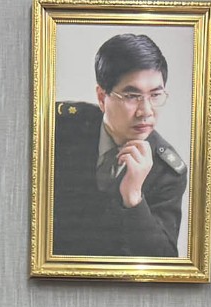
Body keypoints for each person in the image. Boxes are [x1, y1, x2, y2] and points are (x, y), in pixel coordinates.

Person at [51, 32, 187, 258]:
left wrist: (134, 198)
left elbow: (164, 261)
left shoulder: (167, 171)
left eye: (155, 95)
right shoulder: (60, 128)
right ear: (102, 97)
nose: (146, 111)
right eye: (132, 95)